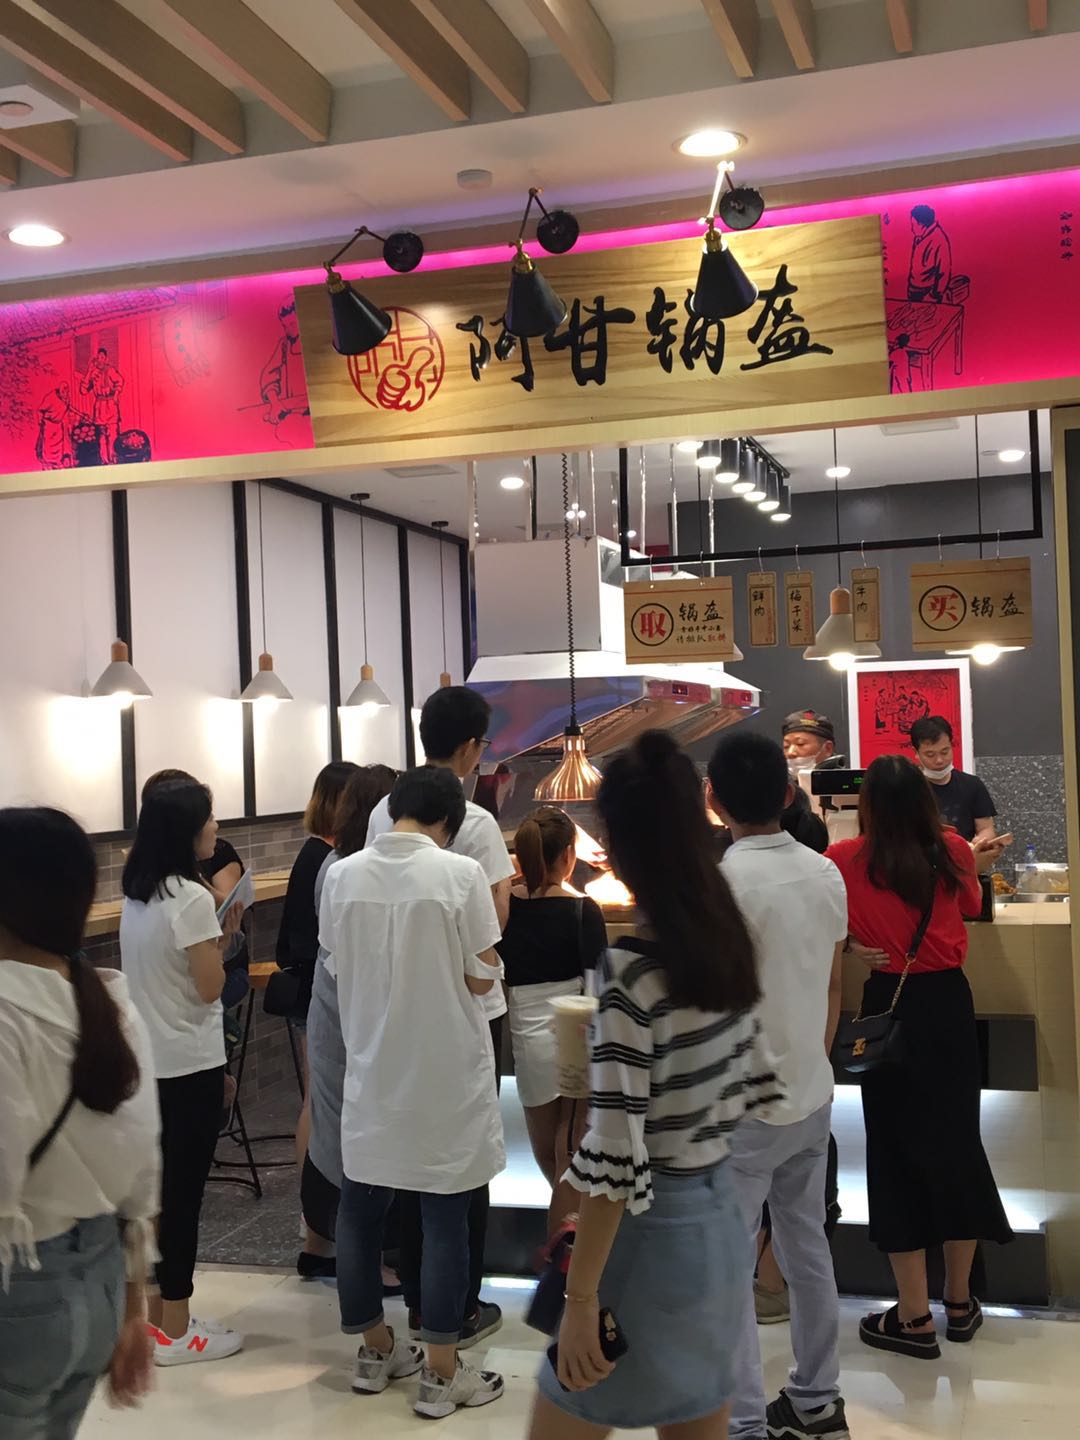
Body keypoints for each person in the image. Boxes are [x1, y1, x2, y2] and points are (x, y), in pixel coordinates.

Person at [529, 731, 781, 1440]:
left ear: (619, 844)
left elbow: (616, 1157)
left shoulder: (632, 976)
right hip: (718, 1226)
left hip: (647, 1241)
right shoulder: (728, 940)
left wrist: (582, 1298)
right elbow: (756, 1083)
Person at [324, 766, 506, 1419]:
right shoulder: (459, 875)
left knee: (360, 1213)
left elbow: (336, 964)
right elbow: (482, 978)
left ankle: (375, 1351)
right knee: (445, 1219)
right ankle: (441, 1373)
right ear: (450, 822)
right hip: (443, 1075)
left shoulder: (342, 876)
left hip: (373, 1070)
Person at [826, 755, 1013, 1359]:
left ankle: (911, 1317)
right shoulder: (953, 849)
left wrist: (854, 945)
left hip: (888, 1006)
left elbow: (830, 926)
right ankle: (958, 1302)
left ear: (867, 806)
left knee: (893, 1153)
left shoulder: (843, 859)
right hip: (947, 1006)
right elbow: (969, 908)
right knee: (958, 1145)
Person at [708, 734, 850, 1440]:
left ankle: (740, 1421)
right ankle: (818, 1399)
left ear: (714, 801)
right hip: (810, 1090)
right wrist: (810, 1061)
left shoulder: (719, 887)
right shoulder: (826, 873)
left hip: (739, 1103)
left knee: (728, 1266)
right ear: (790, 794)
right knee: (806, 1247)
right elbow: (833, 983)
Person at [0, 808, 159, 1437]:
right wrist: (132, 1309)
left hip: (19, 1295)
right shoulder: (111, 1002)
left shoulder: (6, 1012)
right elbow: (142, 1176)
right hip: (99, 1285)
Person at [367, 685, 514, 1346]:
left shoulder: (384, 810)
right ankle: (457, 1305)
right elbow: (495, 919)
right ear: (472, 747)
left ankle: (419, 1299)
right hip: (464, 1003)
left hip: (394, 1002)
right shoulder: (471, 818)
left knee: (408, 1153)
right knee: (463, 1160)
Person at [120, 778, 245, 1366]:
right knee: (185, 1196)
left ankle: (156, 1319)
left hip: (147, 1062)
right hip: (191, 1064)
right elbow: (210, 986)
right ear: (186, 829)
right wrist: (226, 936)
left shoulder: (138, 891)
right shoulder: (192, 898)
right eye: (209, 817)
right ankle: (176, 1328)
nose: (216, 827)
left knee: (156, 1195)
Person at [300, 763, 398, 1277]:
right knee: (356, 1135)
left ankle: (323, 1245)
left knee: (333, 1123)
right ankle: (365, 1260)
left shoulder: (336, 864)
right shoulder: (354, 870)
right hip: (351, 1012)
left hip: (332, 1008)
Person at [498, 807, 607, 1234]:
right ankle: (566, 1246)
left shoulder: (507, 907)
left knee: (547, 1152)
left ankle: (565, 1236)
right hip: (574, 1035)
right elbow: (599, 987)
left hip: (526, 1040)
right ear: (567, 855)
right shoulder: (583, 910)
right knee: (572, 1154)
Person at [277, 760, 360, 1266]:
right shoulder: (325, 860)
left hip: (314, 991)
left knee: (317, 1102)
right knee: (319, 1104)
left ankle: (316, 1234)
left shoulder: (319, 856)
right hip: (317, 995)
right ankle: (315, 1230)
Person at [908, 715, 998, 845]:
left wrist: (980, 842)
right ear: (916, 752)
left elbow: (986, 828)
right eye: (930, 755)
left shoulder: (972, 785)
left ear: (951, 745)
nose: (939, 760)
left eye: (945, 752)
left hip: (964, 853)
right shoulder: (907, 788)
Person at [79, 347, 125, 464]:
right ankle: (104, 460)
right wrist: (89, 372)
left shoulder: (110, 371)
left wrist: (116, 394)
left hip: (110, 405)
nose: (100, 360)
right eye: (98, 357)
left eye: (102, 357)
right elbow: (83, 390)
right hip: (99, 407)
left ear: (106, 359)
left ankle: (114, 459)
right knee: (102, 435)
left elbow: (120, 381)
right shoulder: (94, 373)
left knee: (113, 433)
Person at [907, 205, 952, 304]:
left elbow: (943, 272)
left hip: (928, 293)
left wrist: (934, 295)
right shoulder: (918, 237)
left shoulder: (939, 238)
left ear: (921, 224)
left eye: (913, 225)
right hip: (914, 290)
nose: (912, 229)